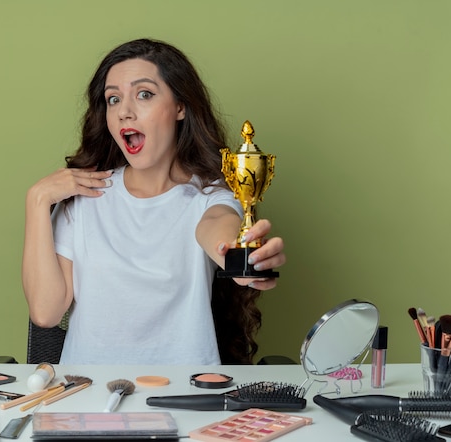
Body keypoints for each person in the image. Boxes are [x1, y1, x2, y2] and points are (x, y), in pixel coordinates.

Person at [22, 38, 285, 365]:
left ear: (180, 106)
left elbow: (218, 227)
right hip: (88, 398)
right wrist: (37, 201)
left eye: (144, 94)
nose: (124, 112)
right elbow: (46, 313)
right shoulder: (84, 198)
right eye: (113, 99)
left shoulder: (209, 197)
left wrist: (242, 256)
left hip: (182, 399)